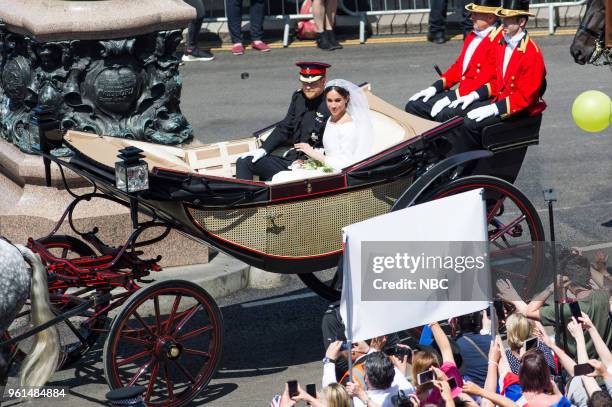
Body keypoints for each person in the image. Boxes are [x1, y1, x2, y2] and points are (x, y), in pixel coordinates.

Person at [457, 0, 547, 144]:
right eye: (502, 19)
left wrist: (494, 108)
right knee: (456, 117)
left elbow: (525, 97)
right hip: (499, 101)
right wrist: (474, 95)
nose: (502, 24)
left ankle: (474, 162)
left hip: (519, 110)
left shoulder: (531, 53)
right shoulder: (502, 44)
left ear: (522, 21)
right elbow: (496, 81)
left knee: (469, 124)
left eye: (507, 21)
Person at [407, 0, 503, 122]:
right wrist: (435, 87)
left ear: (490, 17)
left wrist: (453, 96)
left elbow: (485, 80)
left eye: (476, 14)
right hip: (463, 93)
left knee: (444, 114)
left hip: (480, 97)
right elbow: (459, 67)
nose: (471, 17)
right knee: (414, 106)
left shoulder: (500, 40)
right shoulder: (472, 36)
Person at [236, 62, 331, 181]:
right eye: (305, 83)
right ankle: (246, 199)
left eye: (312, 84)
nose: (307, 87)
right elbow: (285, 127)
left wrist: (312, 159)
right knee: (245, 162)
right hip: (293, 159)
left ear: (323, 81)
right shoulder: (299, 97)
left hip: (315, 164)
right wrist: (263, 149)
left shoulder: (331, 103)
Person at [270, 79, 373, 183]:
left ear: (346, 99)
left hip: (338, 172)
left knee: (282, 178)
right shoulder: (330, 119)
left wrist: (313, 153)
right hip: (326, 165)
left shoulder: (348, 126)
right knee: (281, 175)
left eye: (338, 100)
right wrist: (308, 160)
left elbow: (344, 163)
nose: (333, 106)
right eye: (329, 100)